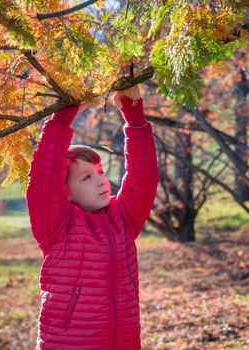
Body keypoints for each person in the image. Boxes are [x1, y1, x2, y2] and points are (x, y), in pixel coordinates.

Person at [25, 85, 159, 350]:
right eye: (87, 177)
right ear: (65, 191)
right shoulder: (57, 227)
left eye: (99, 172)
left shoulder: (122, 220)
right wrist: (61, 121)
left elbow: (144, 179)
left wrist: (135, 119)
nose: (100, 181)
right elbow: (43, 181)